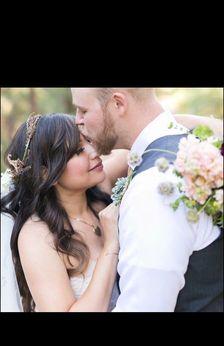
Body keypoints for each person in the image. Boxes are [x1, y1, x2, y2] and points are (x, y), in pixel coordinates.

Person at [71, 88, 223, 312]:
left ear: (118, 103)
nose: (77, 120)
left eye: (83, 110)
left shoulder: (154, 186)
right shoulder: (188, 146)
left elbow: (144, 306)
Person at [1, 113, 129, 312]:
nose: (94, 152)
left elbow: (139, 139)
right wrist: (110, 247)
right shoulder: (38, 236)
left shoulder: (98, 190)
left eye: (88, 140)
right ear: (46, 174)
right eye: (78, 151)